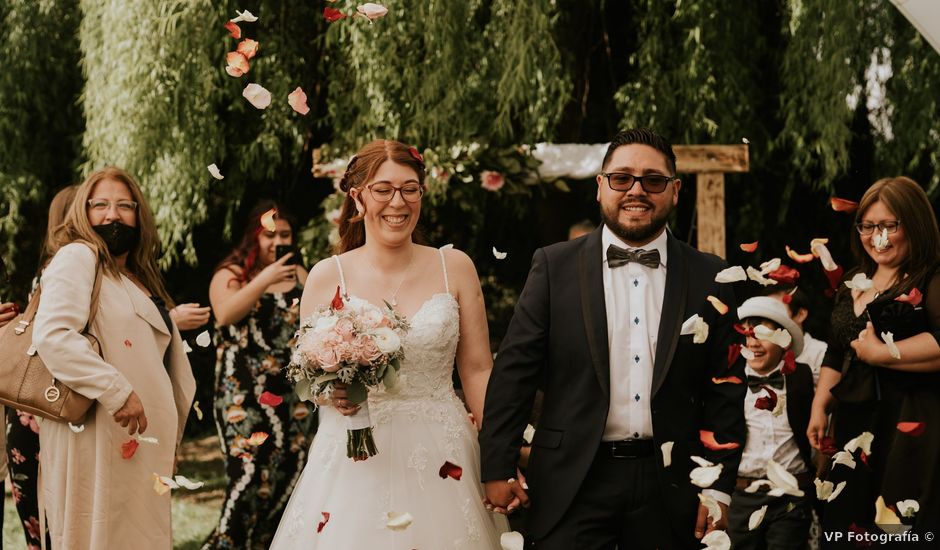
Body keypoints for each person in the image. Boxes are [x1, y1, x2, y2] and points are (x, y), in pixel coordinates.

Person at [480, 128, 746, 549]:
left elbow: (725, 390)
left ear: (675, 191)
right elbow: (515, 372)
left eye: (652, 180)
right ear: (600, 186)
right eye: (622, 178)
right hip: (572, 480)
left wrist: (717, 488)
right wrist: (497, 465)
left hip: (673, 486)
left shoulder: (710, 274)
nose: (636, 190)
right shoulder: (553, 266)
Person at [269, 139, 509, 549]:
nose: (397, 202)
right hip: (354, 455)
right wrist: (333, 393)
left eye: (409, 189)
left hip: (443, 449)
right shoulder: (328, 276)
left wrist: (500, 456)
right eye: (383, 189)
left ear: (421, 194)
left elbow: (477, 370)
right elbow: (306, 376)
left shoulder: (455, 268)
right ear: (358, 197)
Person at [32, 166, 196, 549]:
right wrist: (117, 390)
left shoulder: (135, 277)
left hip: (142, 443)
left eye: (125, 206)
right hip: (97, 432)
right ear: (83, 212)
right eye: (100, 204)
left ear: (140, 215)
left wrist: (169, 441)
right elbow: (54, 335)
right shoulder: (77, 256)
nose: (113, 215)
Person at [808, 176, 940, 536]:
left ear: (913, 225)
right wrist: (821, 404)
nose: (875, 235)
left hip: (910, 421)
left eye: (887, 225)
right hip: (853, 419)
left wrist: (882, 354)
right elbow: (837, 349)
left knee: (899, 527)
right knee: (847, 525)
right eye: (867, 225)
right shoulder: (854, 279)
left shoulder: (931, 278)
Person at [203, 200, 317, 549]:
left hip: (293, 397)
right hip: (244, 397)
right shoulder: (231, 274)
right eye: (269, 234)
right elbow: (224, 315)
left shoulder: (300, 275)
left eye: (284, 234)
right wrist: (265, 278)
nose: (276, 241)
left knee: (287, 482)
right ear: (253, 236)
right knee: (248, 478)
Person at [727, 296, 815, 549]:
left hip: (792, 492)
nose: (752, 342)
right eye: (746, 334)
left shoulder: (802, 376)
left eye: (762, 333)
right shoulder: (729, 381)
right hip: (743, 493)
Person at [767, 287, 828, 386]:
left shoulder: (821, 353)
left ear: (800, 314)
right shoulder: (758, 352)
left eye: (777, 310)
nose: (771, 317)